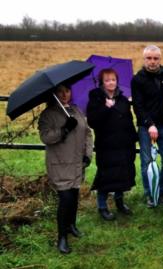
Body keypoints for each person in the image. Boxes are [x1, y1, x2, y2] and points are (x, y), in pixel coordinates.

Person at [38, 84, 93, 254]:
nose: (64, 94)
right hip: (60, 163)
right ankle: (62, 237)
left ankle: (71, 225)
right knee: (66, 199)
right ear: (53, 94)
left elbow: (87, 133)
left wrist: (88, 154)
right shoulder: (48, 114)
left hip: (77, 162)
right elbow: (45, 137)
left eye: (67, 90)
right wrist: (64, 129)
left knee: (74, 196)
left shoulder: (76, 110)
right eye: (60, 91)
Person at [131, 45, 163, 207]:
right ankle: (149, 194)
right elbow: (138, 106)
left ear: (160, 59)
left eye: (155, 58)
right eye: (149, 58)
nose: (152, 62)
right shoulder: (137, 79)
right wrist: (149, 124)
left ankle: (161, 190)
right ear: (144, 59)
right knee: (147, 162)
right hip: (146, 127)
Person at [87, 68, 137, 221]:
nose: (111, 83)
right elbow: (92, 121)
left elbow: (128, 120)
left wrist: (134, 137)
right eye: (107, 80)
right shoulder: (96, 98)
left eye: (113, 80)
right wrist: (105, 108)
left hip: (123, 144)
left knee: (122, 173)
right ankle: (102, 207)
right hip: (106, 145)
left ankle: (120, 203)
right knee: (106, 175)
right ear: (102, 82)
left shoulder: (122, 99)